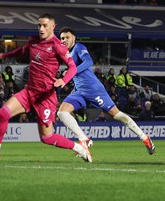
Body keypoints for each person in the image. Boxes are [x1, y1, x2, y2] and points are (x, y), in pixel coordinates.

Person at [0, 13, 92, 163]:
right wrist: (4, 55)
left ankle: (79, 148)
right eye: (39, 25)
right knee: (3, 112)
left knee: (47, 138)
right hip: (29, 92)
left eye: (44, 26)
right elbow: (22, 51)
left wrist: (64, 80)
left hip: (46, 97)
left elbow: (72, 67)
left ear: (53, 27)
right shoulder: (34, 41)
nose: (41, 29)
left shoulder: (58, 46)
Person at [57, 27, 155, 155]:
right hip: (79, 91)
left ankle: (145, 138)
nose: (64, 40)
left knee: (118, 115)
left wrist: (72, 71)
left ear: (74, 38)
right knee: (62, 112)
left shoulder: (79, 47)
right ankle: (84, 139)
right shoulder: (66, 54)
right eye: (62, 38)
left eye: (67, 37)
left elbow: (88, 61)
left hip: (93, 90)